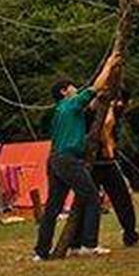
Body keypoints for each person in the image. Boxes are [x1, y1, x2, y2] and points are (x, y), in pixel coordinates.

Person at [33, 49, 123, 261]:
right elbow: (95, 88)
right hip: (68, 159)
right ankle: (88, 244)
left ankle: (41, 251)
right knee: (92, 197)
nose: (76, 88)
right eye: (72, 87)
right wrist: (109, 64)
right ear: (65, 91)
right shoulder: (71, 104)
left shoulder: (61, 111)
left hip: (55, 159)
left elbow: (94, 99)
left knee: (53, 207)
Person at [86, 87, 139, 247]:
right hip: (96, 161)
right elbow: (105, 127)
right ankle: (84, 241)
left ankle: (130, 235)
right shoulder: (101, 110)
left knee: (122, 198)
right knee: (92, 201)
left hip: (106, 161)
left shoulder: (114, 110)